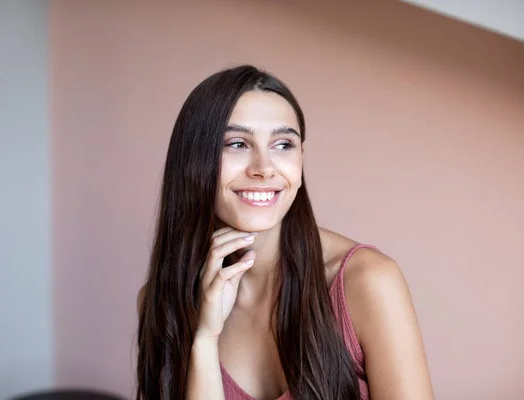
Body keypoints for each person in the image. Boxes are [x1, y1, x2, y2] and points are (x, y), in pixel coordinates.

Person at [136, 65, 434, 400]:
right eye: (237, 143)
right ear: (194, 159)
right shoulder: (161, 300)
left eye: (283, 145)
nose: (264, 168)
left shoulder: (366, 280)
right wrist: (204, 339)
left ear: (301, 159)